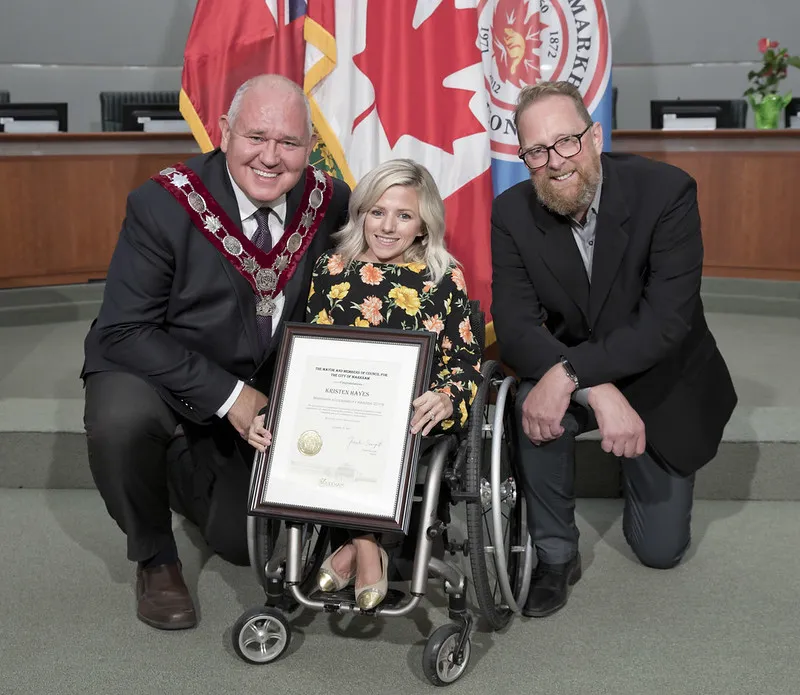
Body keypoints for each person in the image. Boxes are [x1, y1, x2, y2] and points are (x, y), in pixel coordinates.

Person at [81, 74, 351, 630]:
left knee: (240, 545)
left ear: (309, 147)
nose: (271, 158)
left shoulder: (331, 202)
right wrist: (229, 398)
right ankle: (154, 556)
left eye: (290, 144)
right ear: (225, 132)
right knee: (120, 420)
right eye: (256, 137)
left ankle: (185, 472)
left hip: (262, 393)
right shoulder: (163, 204)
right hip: (159, 374)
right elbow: (123, 330)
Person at [491, 81, 737, 619]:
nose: (555, 163)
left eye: (567, 142)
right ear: (523, 157)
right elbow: (513, 326)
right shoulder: (512, 213)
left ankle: (641, 467)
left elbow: (665, 324)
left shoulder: (666, 192)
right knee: (534, 399)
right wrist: (591, 385)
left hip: (661, 376)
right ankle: (556, 554)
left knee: (660, 553)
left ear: (596, 136)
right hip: (575, 374)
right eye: (536, 150)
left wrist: (575, 369)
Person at [248, 158, 482, 610]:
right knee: (335, 425)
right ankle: (368, 546)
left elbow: (465, 362)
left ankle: (357, 547)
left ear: (423, 224)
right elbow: (310, 352)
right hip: (340, 406)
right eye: (378, 211)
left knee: (383, 429)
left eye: (404, 215)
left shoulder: (443, 276)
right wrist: (278, 407)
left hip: (413, 413)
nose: (388, 226)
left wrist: (447, 396)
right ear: (361, 214)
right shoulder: (331, 268)